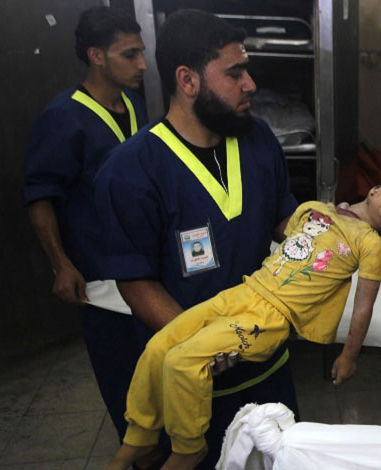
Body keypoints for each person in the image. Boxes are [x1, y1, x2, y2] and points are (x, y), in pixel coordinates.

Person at [105, 184, 381, 470]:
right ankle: (141, 435)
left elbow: (363, 308)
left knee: (183, 361)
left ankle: (189, 447)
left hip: (268, 319)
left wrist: (348, 356)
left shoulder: (370, 245)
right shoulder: (314, 209)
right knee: (160, 345)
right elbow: (294, 249)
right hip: (244, 291)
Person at [93, 9, 297, 469]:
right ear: (187, 80)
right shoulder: (130, 170)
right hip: (191, 383)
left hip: (269, 368)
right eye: (235, 73)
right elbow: (136, 281)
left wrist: (331, 230)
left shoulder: (257, 139)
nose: (250, 85)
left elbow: (282, 220)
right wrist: (205, 342)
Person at [22, 6, 148, 443]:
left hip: (141, 266)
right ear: (96, 56)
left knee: (156, 371)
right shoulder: (64, 116)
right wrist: (61, 264)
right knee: (122, 377)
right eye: (129, 55)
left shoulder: (133, 104)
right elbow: (39, 195)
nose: (142, 64)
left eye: (142, 52)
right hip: (98, 273)